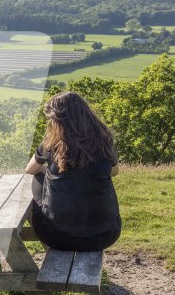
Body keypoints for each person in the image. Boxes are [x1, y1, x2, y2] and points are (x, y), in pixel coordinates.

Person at [25, 91, 121, 252]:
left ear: (58, 121)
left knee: (39, 175)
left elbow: (30, 169)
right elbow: (114, 172)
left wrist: (51, 171)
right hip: (105, 235)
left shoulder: (50, 145)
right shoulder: (104, 141)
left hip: (56, 237)